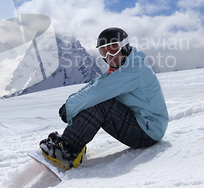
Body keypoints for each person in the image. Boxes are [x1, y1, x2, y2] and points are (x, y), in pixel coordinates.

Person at [39, 27, 169, 170]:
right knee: (90, 100)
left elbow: (98, 92)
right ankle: (70, 143)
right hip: (143, 124)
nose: (109, 55)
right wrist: (70, 104)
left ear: (125, 47)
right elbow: (96, 84)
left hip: (149, 132)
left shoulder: (134, 69)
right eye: (103, 51)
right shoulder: (125, 65)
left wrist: (70, 108)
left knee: (101, 102)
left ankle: (67, 153)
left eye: (113, 48)